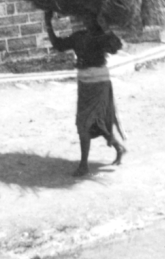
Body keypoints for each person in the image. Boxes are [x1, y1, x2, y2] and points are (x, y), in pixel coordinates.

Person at [45, 10, 126, 176]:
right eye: (85, 17)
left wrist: (107, 29)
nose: (87, 21)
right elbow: (59, 45)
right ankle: (118, 147)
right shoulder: (79, 36)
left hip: (100, 82)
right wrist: (48, 25)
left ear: (97, 20)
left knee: (87, 122)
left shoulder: (102, 37)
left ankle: (83, 165)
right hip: (85, 83)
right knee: (93, 121)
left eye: (91, 18)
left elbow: (116, 47)